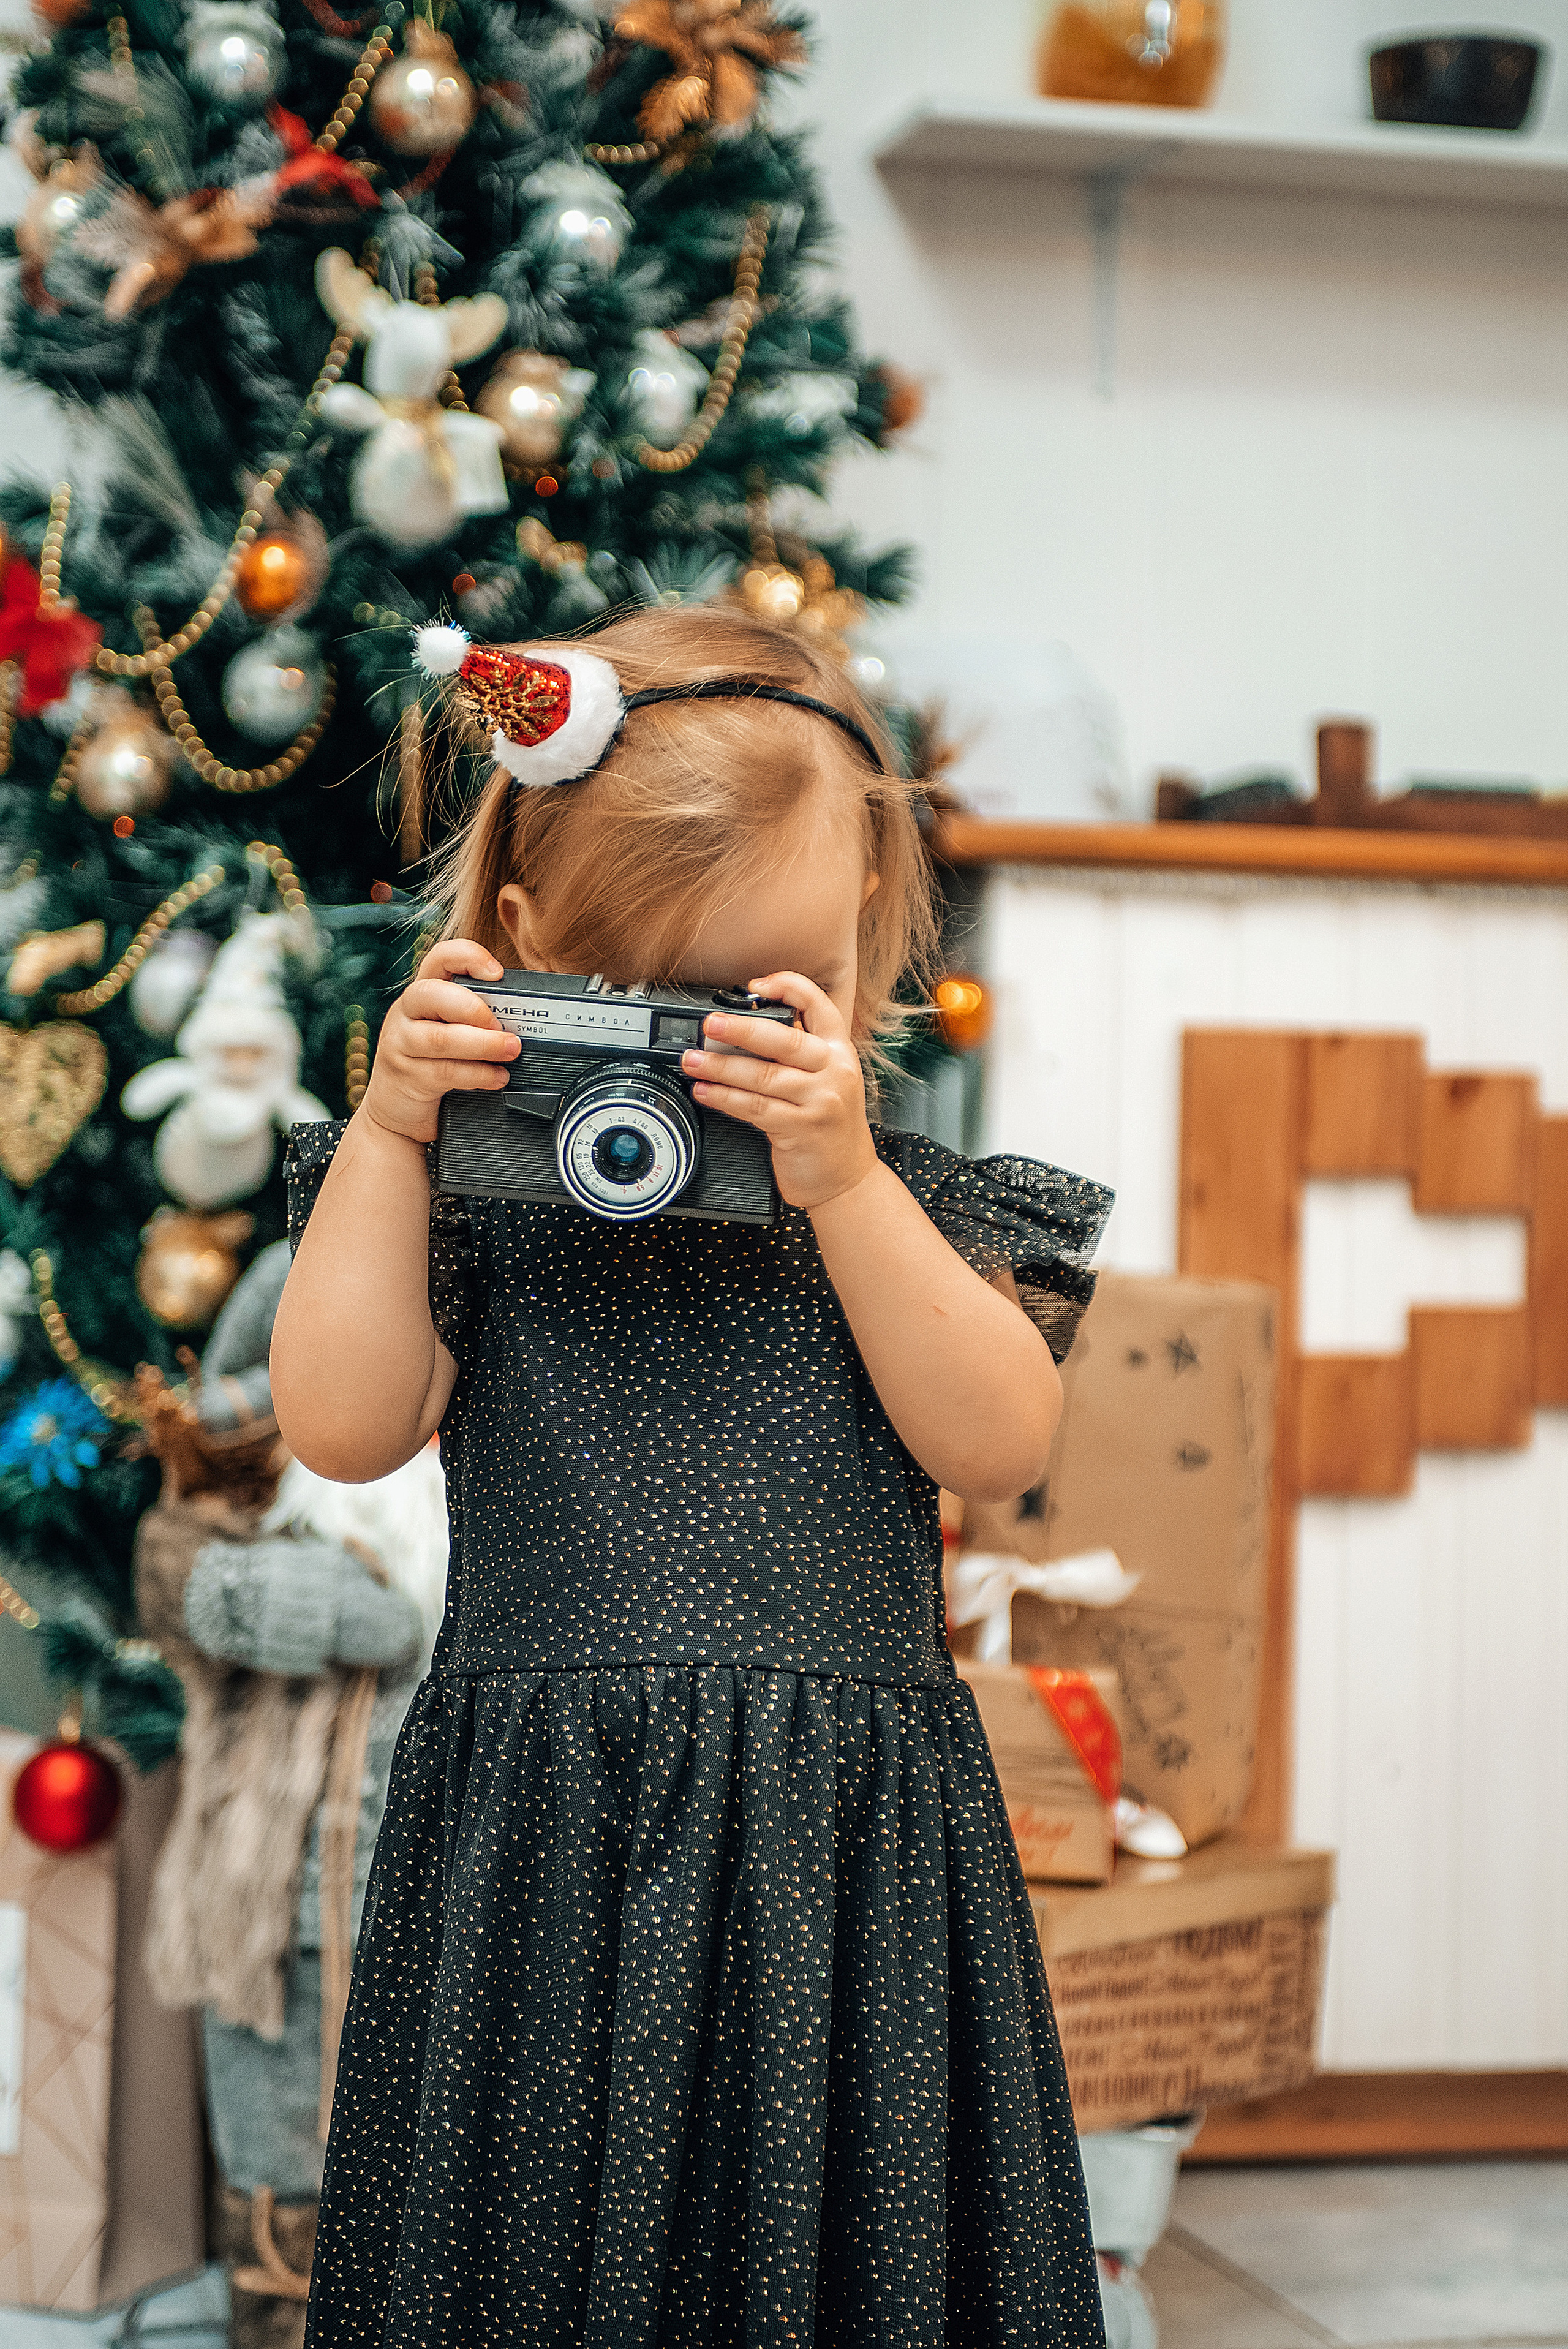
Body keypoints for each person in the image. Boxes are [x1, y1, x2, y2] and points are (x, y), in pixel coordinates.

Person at [270, 606, 1113, 2348]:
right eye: (649, 1007)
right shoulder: (476, 1207)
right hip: (543, 1849)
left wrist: (849, 1185)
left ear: (868, 948)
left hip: (843, 1856)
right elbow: (343, 1422)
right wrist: (390, 1132)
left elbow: (1005, 1441)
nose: (709, 1061)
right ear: (519, 942)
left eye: (764, 1005)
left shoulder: (908, 1206)